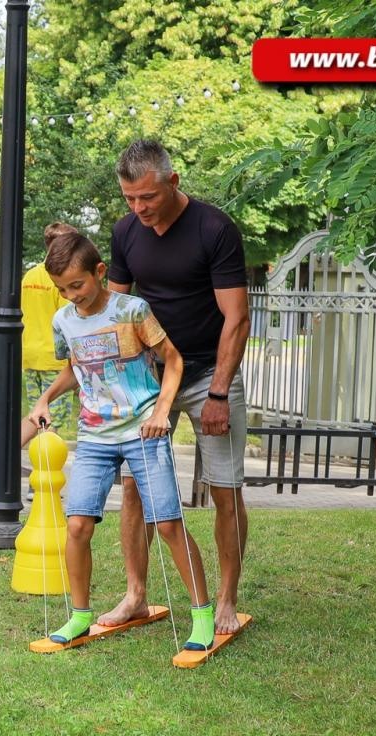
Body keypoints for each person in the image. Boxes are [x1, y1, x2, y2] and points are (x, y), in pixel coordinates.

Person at [23, 229, 216, 652]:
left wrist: (163, 411)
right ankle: (79, 616)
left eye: (78, 285)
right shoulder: (64, 321)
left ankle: (202, 615)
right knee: (77, 525)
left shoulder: (132, 310)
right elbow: (76, 368)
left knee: (166, 524)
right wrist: (44, 399)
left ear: (99, 271)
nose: (72, 295)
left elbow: (174, 360)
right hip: (94, 434)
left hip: (143, 428)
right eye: (62, 289)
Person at [101, 140, 250, 635]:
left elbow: (236, 318)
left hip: (210, 373)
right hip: (152, 377)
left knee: (224, 491)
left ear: (173, 182)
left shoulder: (214, 229)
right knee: (133, 489)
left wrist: (219, 393)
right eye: (129, 199)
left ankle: (226, 599)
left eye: (147, 197)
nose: (139, 209)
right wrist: (121, 383)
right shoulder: (126, 232)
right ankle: (135, 596)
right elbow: (117, 313)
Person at [22, 222, 75, 438]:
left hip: (30, 355)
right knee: (52, 419)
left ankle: (3, 462)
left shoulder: (30, 276)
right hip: (54, 358)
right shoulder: (60, 279)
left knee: (35, 414)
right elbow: (69, 321)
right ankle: (47, 468)